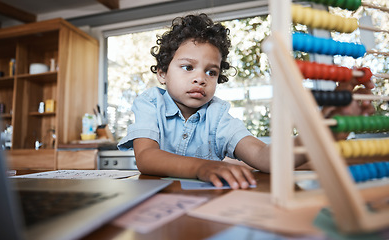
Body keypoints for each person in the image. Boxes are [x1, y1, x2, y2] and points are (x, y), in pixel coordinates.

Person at [118, 13, 373, 189]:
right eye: (187, 67)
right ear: (162, 73)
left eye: (211, 72)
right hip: (153, 204)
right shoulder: (151, 102)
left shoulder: (218, 115)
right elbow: (147, 157)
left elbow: (265, 157)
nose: (201, 78)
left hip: (204, 207)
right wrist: (202, 168)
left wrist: (322, 128)